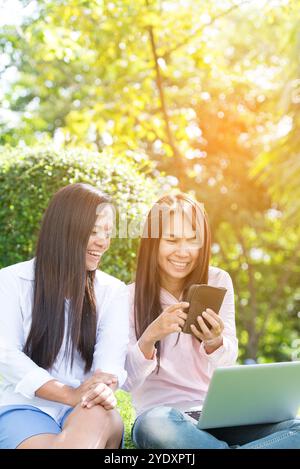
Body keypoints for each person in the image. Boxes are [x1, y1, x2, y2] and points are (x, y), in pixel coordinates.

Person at [123, 192, 300, 449]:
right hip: (164, 416)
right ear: (153, 242)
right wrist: (150, 337)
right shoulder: (129, 297)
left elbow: (226, 363)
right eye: (171, 240)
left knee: (296, 429)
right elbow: (126, 382)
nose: (183, 252)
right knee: (156, 424)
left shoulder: (217, 281)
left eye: (192, 241)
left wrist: (215, 342)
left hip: (216, 416)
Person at [0, 183, 129, 449]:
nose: (103, 242)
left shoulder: (112, 291)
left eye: (107, 232)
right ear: (64, 231)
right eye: (94, 231)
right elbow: (6, 355)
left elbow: (110, 363)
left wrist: (100, 388)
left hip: (90, 406)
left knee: (92, 418)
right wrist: (67, 393)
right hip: (25, 407)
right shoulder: (11, 282)